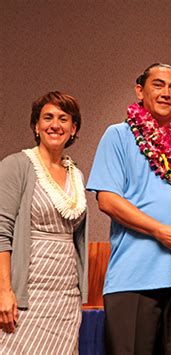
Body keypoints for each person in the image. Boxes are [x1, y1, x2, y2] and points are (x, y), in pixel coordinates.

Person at [86, 62, 171, 355]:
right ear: (140, 91)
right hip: (133, 278)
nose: (166, 93)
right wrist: (161, 231)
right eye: (158, 84)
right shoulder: (118, 136)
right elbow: (107, 200)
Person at [0, 92, 88, 354]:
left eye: (63, 118)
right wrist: (4, 291)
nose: (55, 124)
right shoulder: (16, 165)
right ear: (36, 126)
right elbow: (1, 232)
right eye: (47, 117)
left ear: (73, 129)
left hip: (65, 297)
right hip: (27, 295)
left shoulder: (76, 173)